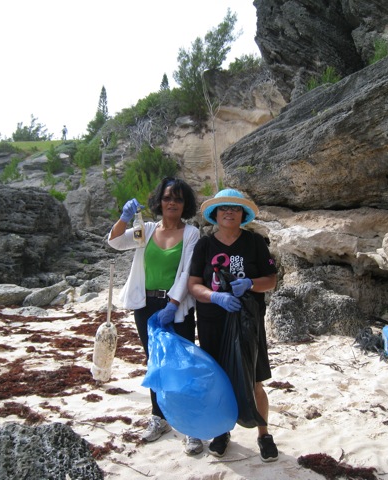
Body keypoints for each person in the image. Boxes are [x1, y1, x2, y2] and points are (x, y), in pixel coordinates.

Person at [107, 177, 204, 455]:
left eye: (178, 199)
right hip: (145, 306)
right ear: (159, 201)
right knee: (155, 363)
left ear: (185, 204)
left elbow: (187, 272)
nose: (172, 203)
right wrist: (124, 218)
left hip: (177, 307)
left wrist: (172, 304)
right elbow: (115, 242)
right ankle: (159, 417)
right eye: (167, 197)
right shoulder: (146, 229)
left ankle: (189, 426)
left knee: (182, 363)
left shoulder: (191, 233)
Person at [188, 188, 279, 463]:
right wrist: (215, 296)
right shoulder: (204, 245)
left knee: (255, 379)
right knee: (218, 380)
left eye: (235, 208)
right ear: (215, 214)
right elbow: (194, 285)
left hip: (248, 322)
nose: (229, 212)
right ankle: (222, 431)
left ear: (243, 214)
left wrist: (250, 283)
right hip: (212, 322)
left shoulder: (254, 242)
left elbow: (271, 280)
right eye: (224, 208)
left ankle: (264, 434)